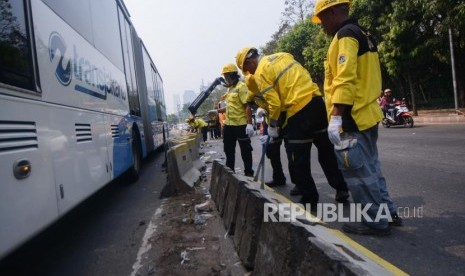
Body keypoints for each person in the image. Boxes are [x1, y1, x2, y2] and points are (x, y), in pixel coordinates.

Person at [313, 0, 402, 235]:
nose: (321, 25)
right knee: (373, 170)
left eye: (322, 18)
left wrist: (336, 117)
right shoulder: (363, 33)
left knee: (359, 176)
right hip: (367, 113)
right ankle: (388, 214)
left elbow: (345, 78)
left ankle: (375, 222)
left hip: (352, 117)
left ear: (333, 12)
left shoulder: (345, 36)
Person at [236, 47, 350, 205]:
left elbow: (274, 103)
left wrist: (273, 126)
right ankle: (341, 187)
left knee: (298, 159)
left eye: (246, 69)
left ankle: (310, 198)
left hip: (299, 111)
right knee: (326, 152)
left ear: (249, 62)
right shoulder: (282, 55)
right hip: (316, 102)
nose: (249, 73)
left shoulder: (260, 72)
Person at [217, 63, 254, 177]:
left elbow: (247, 105)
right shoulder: (230, 89)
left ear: (232, 75)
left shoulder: (241, 87)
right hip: (229, 125)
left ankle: (248, 174)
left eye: (226, 77)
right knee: (228, 150)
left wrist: (249, 124)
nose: (225, 79)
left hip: (241, 125)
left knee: (245, 151)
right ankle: (230, 173)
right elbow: (230, 107)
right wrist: (217, 111)